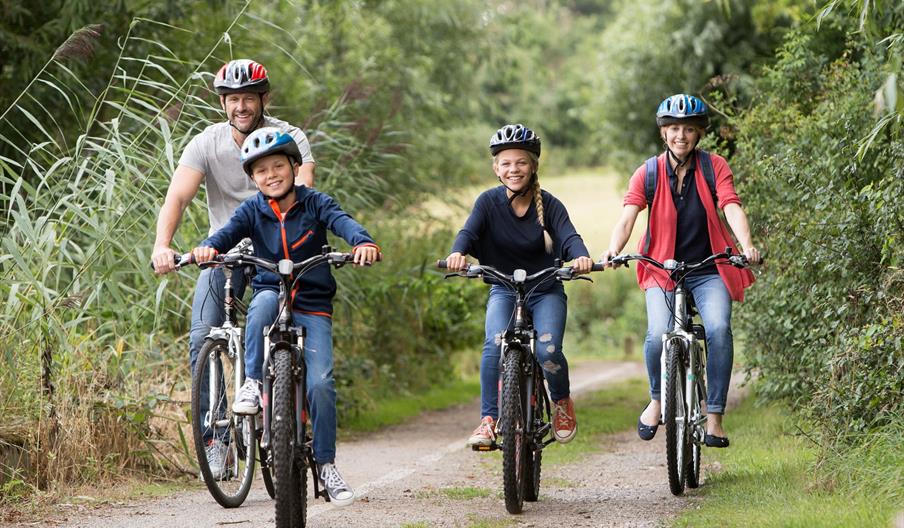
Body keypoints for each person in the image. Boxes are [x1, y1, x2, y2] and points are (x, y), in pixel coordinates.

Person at [192, 126, 380, 506]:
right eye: (261, 171)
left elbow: (342, 221)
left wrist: (362, 241)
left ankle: (326, 466)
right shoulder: (251, 210)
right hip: (270, 294)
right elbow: (226, 234)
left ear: (295, 167)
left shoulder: (314, 203)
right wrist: (208, 248)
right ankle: (252, 384)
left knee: (322, 383)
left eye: (279, 166)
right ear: (252, 178)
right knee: (260, 307)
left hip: (312, 304)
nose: (271, 175)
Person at [150, 59, 315, 477]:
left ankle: (290, 416)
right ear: (224, 103)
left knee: (287, 329)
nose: (241, 106)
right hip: (223, 253)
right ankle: (217, 439)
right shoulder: (206, 143)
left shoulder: (289, 137)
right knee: (203, 337)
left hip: (278, 252)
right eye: (233, 99)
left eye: (249, 98)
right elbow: (177, 198)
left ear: (265, 99)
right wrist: (162, 246)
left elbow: (307, 191)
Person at [599, 94, 761, 448]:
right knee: (658, 333)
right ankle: (657, 400)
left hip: (709, 267)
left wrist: (746, 245)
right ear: (663, 132)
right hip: (662, 269)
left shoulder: (713, 166)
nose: (681, 136)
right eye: (673, 129)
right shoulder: (648, 172)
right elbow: (628, 217)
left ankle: (714, 415)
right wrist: (614, 249)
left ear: (699, 133)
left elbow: (731, 205)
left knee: (718, 329)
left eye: (688, 129)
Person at [444, 124, 594, 447]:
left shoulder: (550, 206)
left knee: (547, 349)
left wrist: (580, 258)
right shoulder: (487, 203)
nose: (514, 169)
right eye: (506, 163)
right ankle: (488, 420)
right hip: (504, 289)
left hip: (546, 290)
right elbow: (468, 233)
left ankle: (561, 401)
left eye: (521, 162)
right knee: (493, 345)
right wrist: (457, 253)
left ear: (534, 166)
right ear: (496, 168)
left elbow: (570, 237)